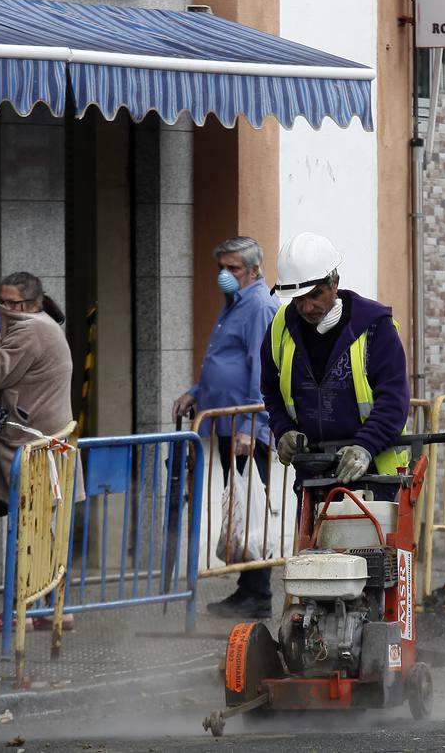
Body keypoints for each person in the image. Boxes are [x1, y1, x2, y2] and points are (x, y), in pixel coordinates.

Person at [172, 237, 279, 620]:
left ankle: (259, 592)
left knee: (251, 507)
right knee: (238, 505)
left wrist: (252, 424)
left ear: (253, 271)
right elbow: (225, 360)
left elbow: (262, 368)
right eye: (222, 267)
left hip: (246, 424)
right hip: (226, 421)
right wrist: (195, 393)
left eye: (233, 268)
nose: (224, 275)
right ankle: (247, 588)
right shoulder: (235, 305)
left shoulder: (260, 306)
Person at [261, 232, 410, 498]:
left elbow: (394, 400)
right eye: (298, 299)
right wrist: (283, 430)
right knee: (314, 542)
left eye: (315, 295)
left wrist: (365, 446)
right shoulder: (281, 327)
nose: (307, 307)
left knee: (367, 542)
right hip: (314, 474)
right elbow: (271, 391)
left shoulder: (374, 326)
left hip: (374, 475)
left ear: (335, 284)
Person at [0, 271, 74, 634]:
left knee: (28, 530)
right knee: (39, 531)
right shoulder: (41, 324)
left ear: (30, 303)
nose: (0, 308)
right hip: (43, 441)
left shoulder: (30, 328)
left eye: (9, 303)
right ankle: (51, 607)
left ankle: (21, 611)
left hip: (31, 445)